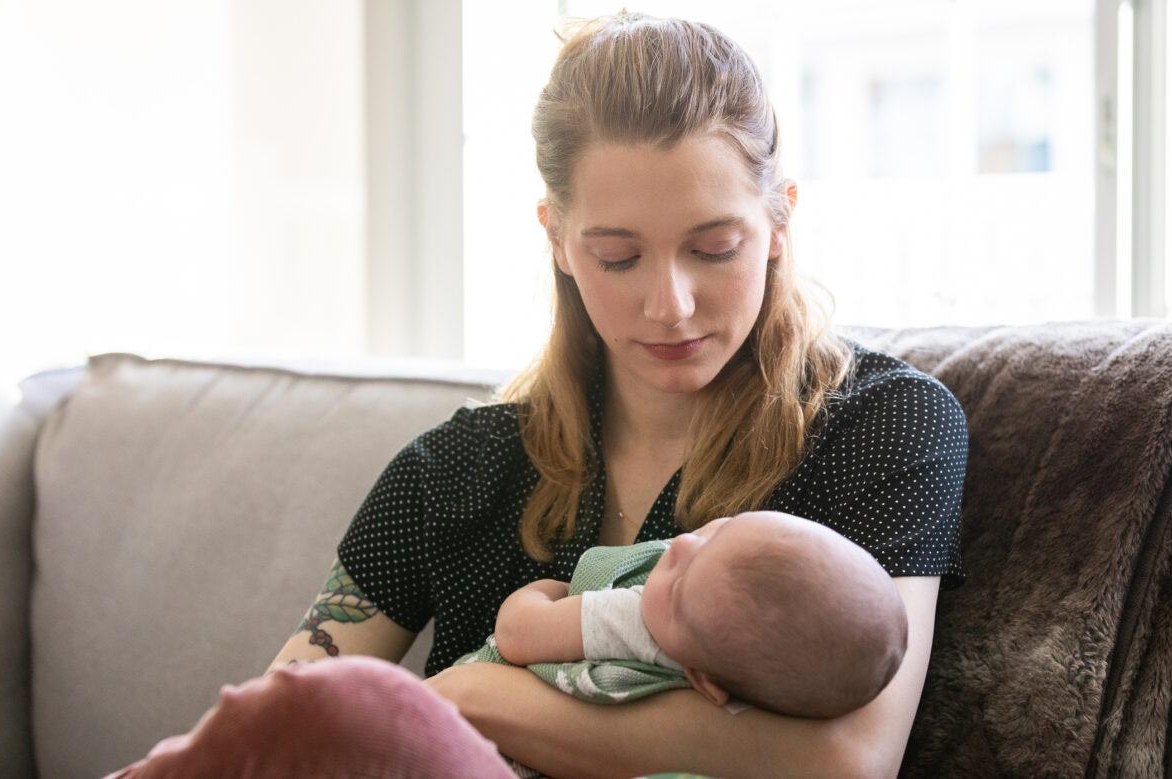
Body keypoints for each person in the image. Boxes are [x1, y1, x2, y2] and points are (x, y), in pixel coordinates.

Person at [111, 9, 969, 778]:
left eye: (714, 247)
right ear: (556, 238)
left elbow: (846, 760)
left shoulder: (888, 426)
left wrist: (477, 697)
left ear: (780, 221)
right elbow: (280, 723)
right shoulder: (455, 469)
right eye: (618, 257)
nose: (668, 304)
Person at [466, 511, 909, 720]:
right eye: (725, 529)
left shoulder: (636, 623)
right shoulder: (749, 670)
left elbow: (517, 635)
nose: (679, 547)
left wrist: (549, 589)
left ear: (705, 682)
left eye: (677, 587)